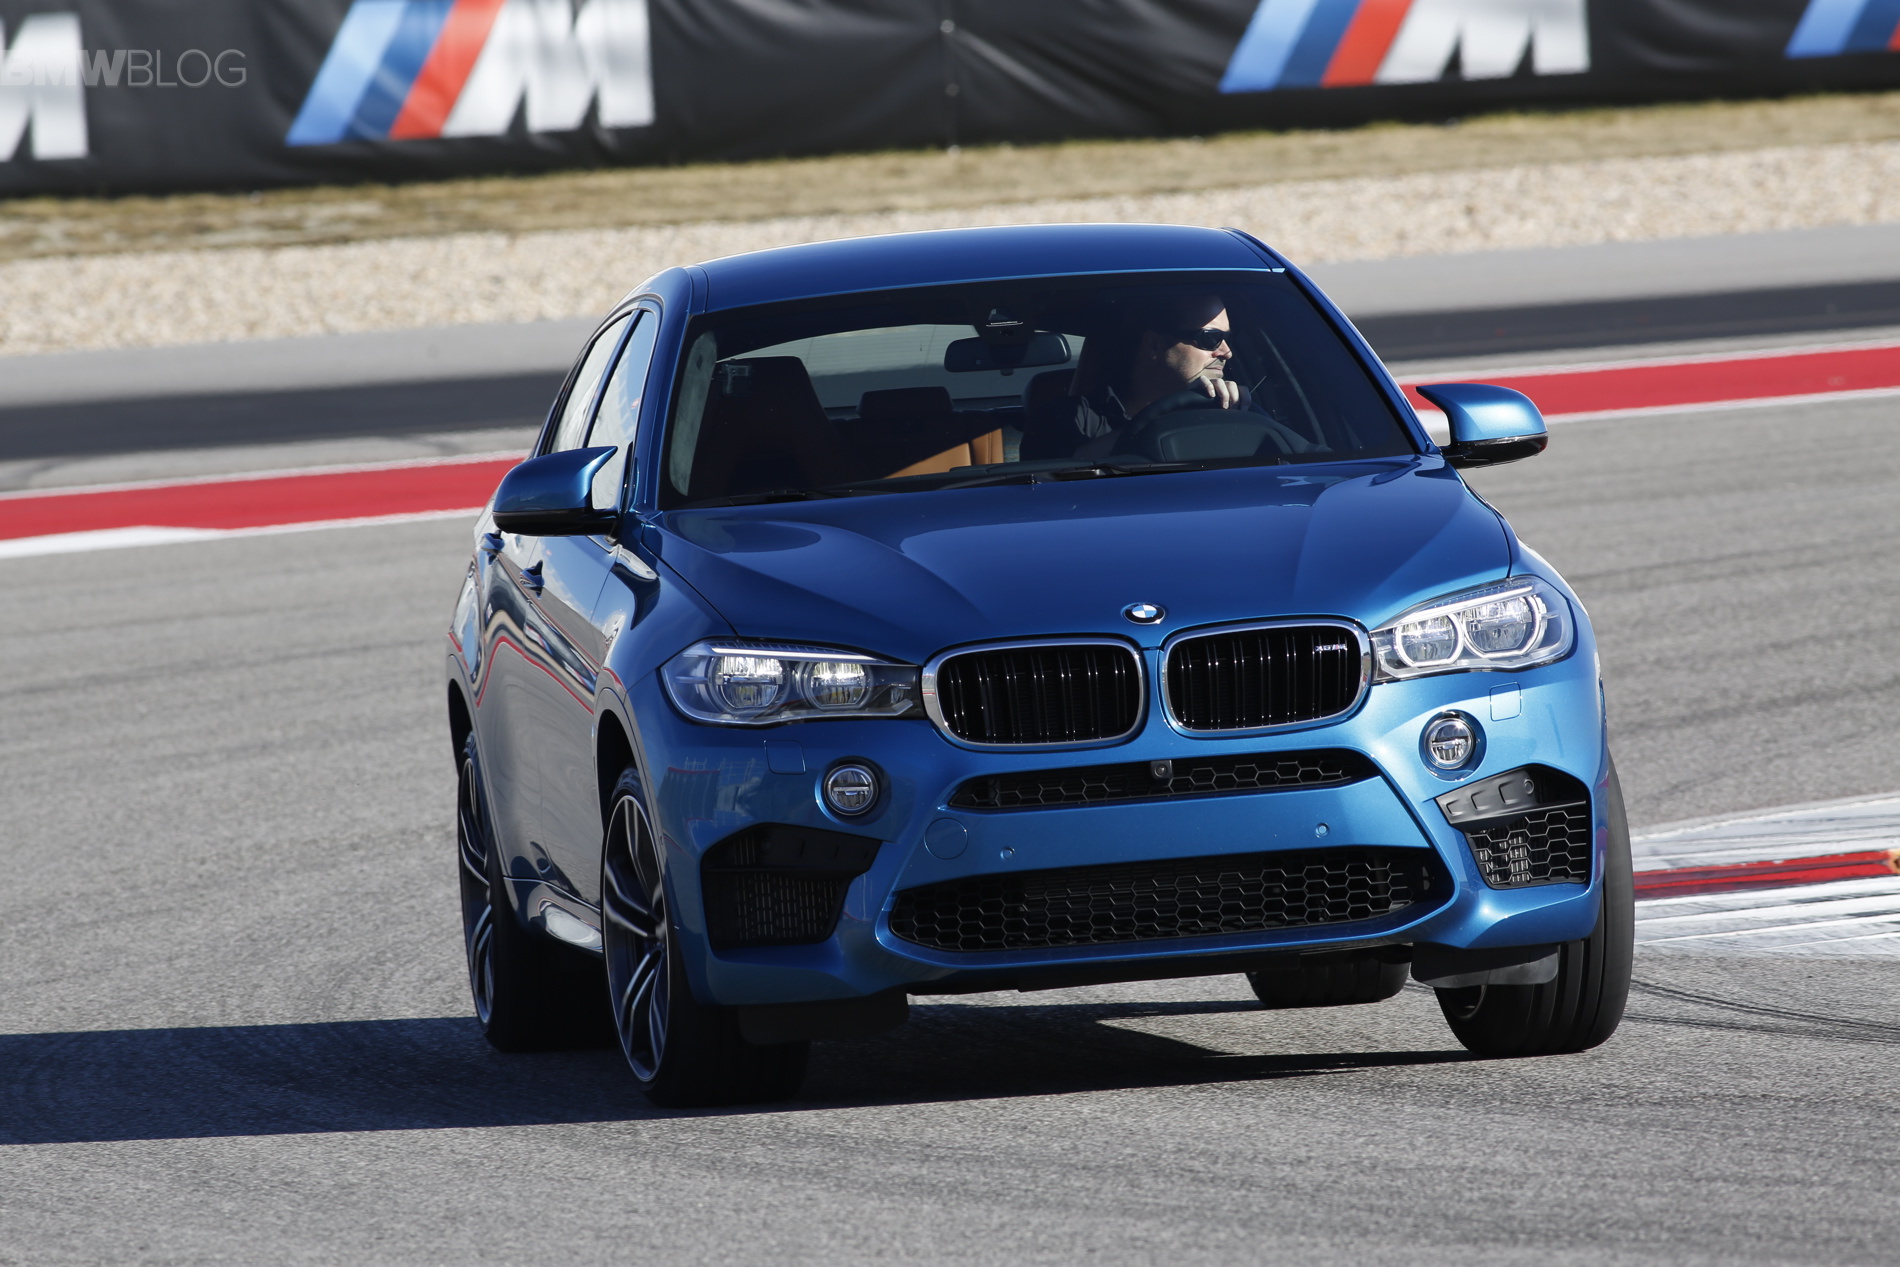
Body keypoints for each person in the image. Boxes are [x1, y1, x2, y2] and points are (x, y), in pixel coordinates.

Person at [1020, 294, 1250, 462]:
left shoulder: (1223, 414)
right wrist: (1165, 420)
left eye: (1228, 338)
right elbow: (1052, 482)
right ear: (1154, 344)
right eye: (1211, 338)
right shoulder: (1069, 418)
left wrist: (1233, 415)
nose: (1227, 352)